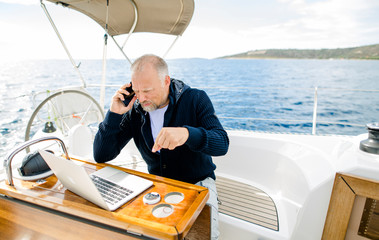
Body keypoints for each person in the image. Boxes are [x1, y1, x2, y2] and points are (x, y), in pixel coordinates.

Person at [93, 54, 229, 239]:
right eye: (137, 91)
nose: (141, 98)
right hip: (158, 186)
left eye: (147, 91)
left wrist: (187, 134)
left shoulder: (195, 99)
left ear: (166, 81)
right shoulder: (135, 110)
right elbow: (101, 154)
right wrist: (114, 114)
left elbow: (222, 143)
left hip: (197, 184)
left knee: (201, 234)